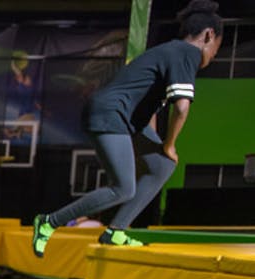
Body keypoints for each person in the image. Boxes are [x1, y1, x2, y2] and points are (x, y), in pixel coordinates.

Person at [30, 0, 224, 257]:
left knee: (163, 165)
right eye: (217, 49)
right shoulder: (187, 53)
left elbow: (152, 108)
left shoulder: (170, 52)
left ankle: (115, 231)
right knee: (123, 188)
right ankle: (49, 221)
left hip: (129, 118)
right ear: (209, 35)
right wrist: (168, 144)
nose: (214, 56)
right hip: (111, 114)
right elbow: (181, 108)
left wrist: (156, 148)